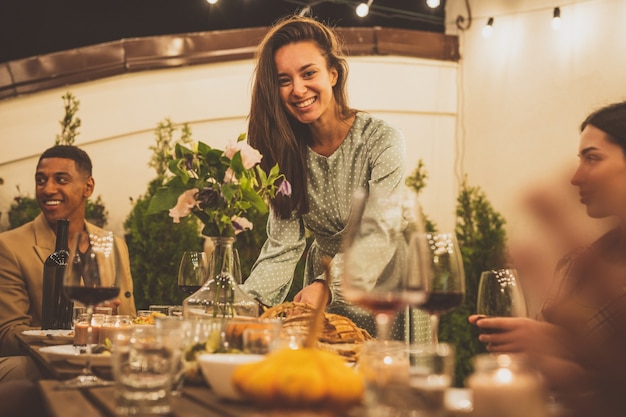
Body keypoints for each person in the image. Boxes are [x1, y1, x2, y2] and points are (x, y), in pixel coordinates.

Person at [240, 15, 416, 339]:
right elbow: (283, 245)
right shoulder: (286, 154)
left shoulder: (382, 140)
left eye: (309, 73)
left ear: (333, 74)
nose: (298, 89)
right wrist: (247, 305)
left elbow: (379, 234)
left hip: (383, 289)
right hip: (322, 293)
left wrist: (326, 284)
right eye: (283, 80)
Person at [469, 100, 626, 416]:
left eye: (592, 159)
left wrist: (558, 341)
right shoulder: (578, 263)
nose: (575, 177)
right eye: (578, 160)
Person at [0, 145, 136, 379]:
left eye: (60, 179)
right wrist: (82, 329)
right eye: (41, 180)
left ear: (88, 187)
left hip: (105, 362)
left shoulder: (114, 245)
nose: (48, 189)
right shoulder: (9, 246)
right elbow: (9, 335)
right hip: (45, 364)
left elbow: (129, 320)